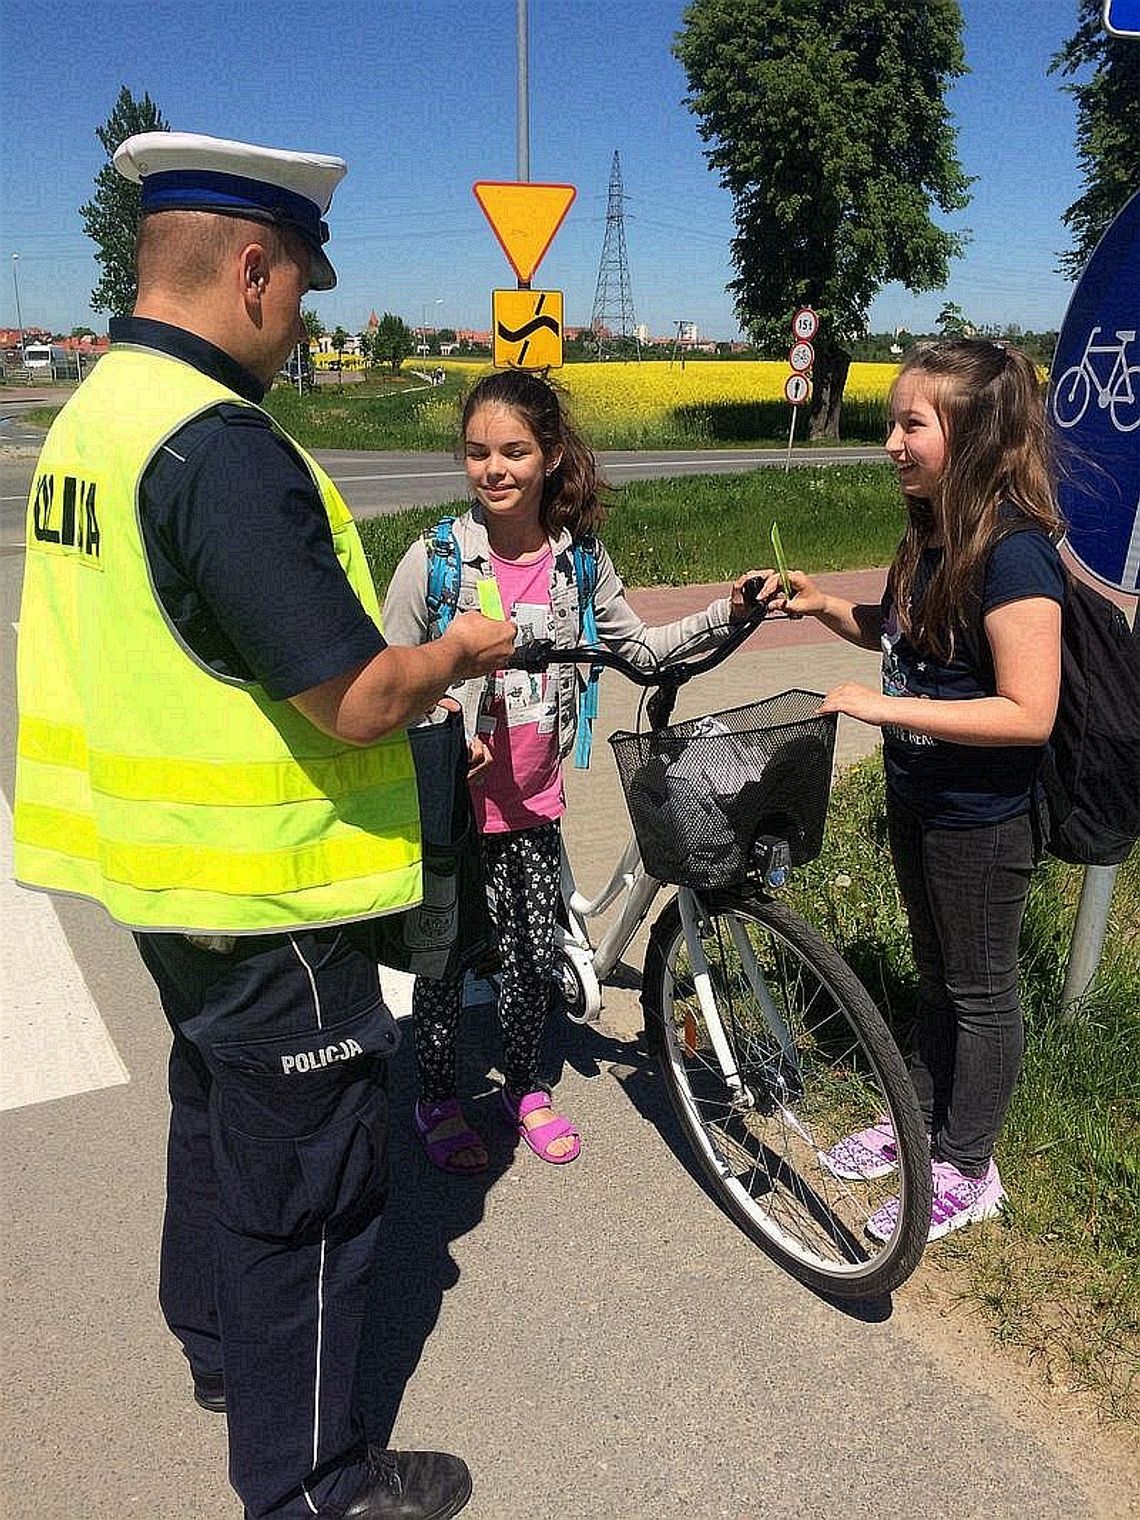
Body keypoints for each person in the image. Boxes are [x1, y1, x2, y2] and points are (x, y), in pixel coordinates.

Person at [13, 131, 517, 1520]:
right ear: (251, 268)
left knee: (213, 1110)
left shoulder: (97, 415)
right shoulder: (219, 448)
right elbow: (355, 695)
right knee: (314, 1201)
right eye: (302, 288)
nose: (304, 323)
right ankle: (312, 1486)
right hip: (268, 894)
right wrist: (463, 651)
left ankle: (222, 1349)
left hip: (157, 874)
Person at [382, 369, 760, 1175]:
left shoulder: (579, 567)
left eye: (515, 451)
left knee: (527, 965)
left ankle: (523, 1088)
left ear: (550, 455)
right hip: (452, 809)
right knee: (443, 965)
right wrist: (442, 720)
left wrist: (730, 610)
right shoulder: (436, 562)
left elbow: (643, 650)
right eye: (478, 452)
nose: (495, 469)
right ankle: (438, 1097)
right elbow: (388, 677)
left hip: (532, 807)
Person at [764, 339, 1065, 1243]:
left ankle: (970, 1168)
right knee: (935, 978)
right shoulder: (932, 531)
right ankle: (922, 1130)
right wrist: (824, 608)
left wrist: (885, 711)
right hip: (921, 799)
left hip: (982, 818)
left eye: (912, 424)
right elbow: (908, 641)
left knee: (980, 991)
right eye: (891, 422)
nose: (891, 442)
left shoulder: (1014, 556)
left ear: (972, 435)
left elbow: (1030, 711)